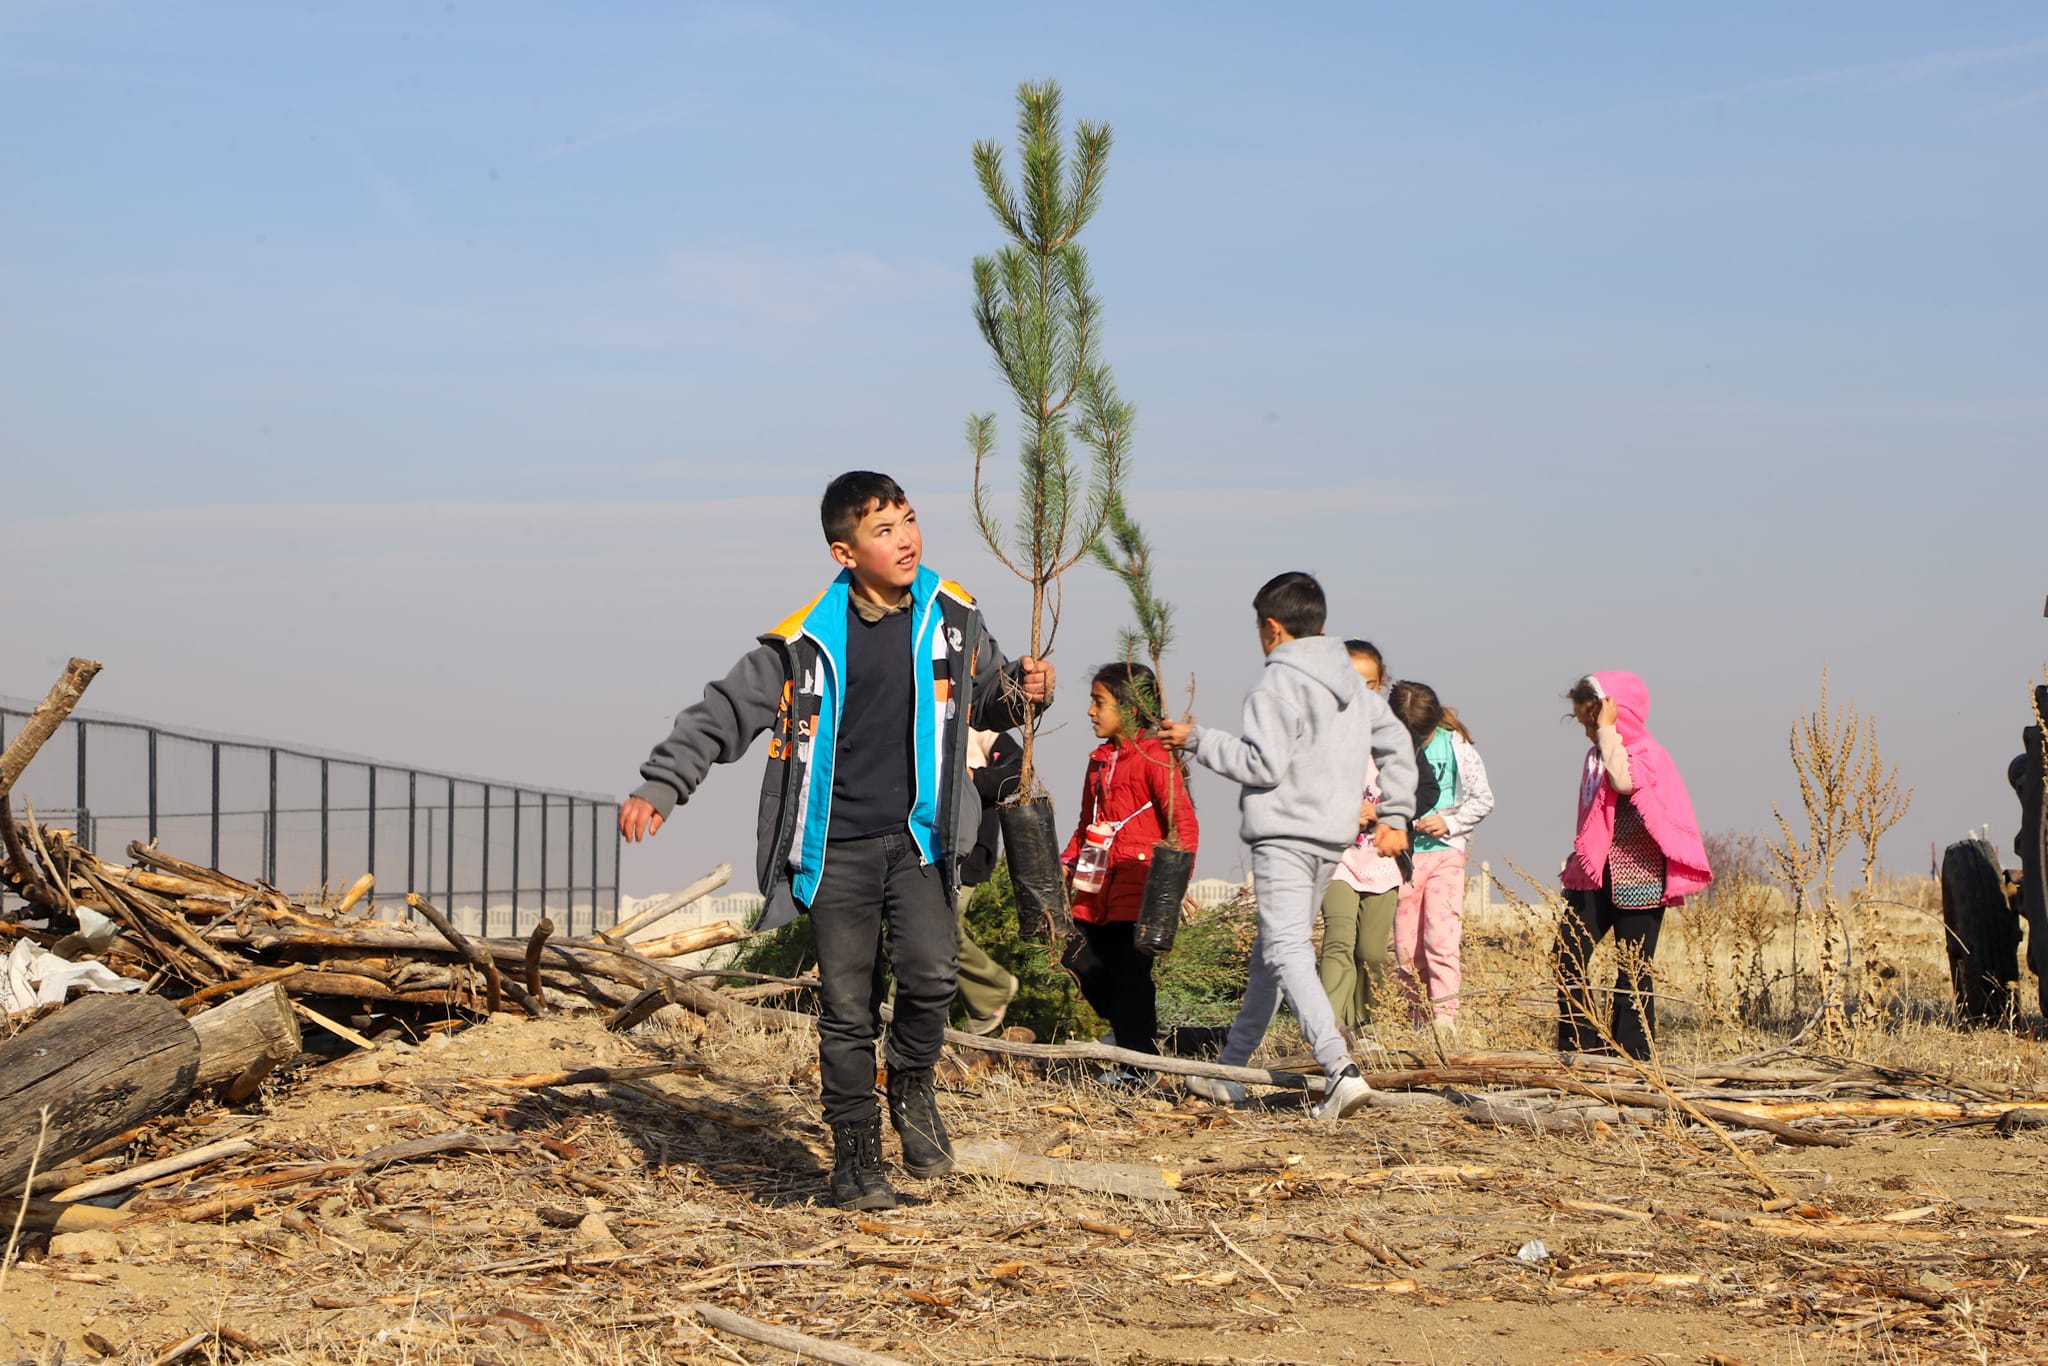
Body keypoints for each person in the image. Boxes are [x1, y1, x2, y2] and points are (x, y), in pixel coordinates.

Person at [618, 471, 1053, 1210]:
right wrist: (662, 784)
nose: (906, 538)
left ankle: (912, 1086)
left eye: (909, 520)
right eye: (884, 530)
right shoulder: (800, 644)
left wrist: (1024, 687)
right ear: (844, 553)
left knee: (932, 979)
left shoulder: (955, 617)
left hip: (923, 840)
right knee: (847, 1011)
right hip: (834, 851)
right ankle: (856, 1160)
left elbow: (988, 700)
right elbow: (721, 715)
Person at [1159, 573, 1416, 1123]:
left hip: (1284, 837)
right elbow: (1396, 742)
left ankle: (1340, 1070)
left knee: (1285, 952)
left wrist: (1199, 740)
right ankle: (1231, 1072)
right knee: (1269, 958)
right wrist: (1396, 812)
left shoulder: (1275, 686)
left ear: (1272, 628)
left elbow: (1262, 764)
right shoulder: (1350, 684)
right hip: (1331, 837)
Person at [1556, 671, 1711, 1059]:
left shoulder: (1647, 755)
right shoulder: (1595, 757)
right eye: (1586, 725)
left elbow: (1625, 782)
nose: (1590, 733)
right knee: (1566, 954)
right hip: (1597, 877)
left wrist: (1609, 731)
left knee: (1633, 968)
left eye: (1592, 722)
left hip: (1641, 877)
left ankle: (1632, 1055)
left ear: (1615, 713)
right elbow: (1591, 816)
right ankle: (1580, 1045)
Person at [1059, 662, 1200, 1064]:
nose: (1091, 711)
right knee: (1076, 953)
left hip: (1139, 885)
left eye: (1098, 702)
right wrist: (1067, 863)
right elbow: (1087, 822)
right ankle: (1131, 1031)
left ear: (1130, 707)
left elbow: (1183, 823)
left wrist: (1173, 886)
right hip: (1095, 885)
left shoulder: (1156, 757)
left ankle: (1138, 1066)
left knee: (1129, 976)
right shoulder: (1099, 760)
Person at [1386, 681, 1494, 1042]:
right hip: (1404, 856)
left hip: (1446, 853)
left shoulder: (1457, 746)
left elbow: (1482, 799)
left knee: (1441, 939)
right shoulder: (1386, 747)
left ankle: (1446, 1018)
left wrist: (1449, 823)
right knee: (1405, 947)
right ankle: (1415, 1018)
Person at [1318, 641, 1400, 1042]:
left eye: (1369, 684)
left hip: (1382, 860)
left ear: (1381, 685)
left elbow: (1421, 792)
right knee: (1337, 940)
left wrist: (1382, 814)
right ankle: (1327, 1030)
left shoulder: (1393, 737)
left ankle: (1368, 1025)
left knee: (1370, 952)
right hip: (1336, 858)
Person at [954, 730, 1023, 1035]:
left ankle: (993, 987)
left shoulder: (981, 730)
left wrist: (967, 775)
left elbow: (1016, 773)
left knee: (937, 929)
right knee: (913, 931)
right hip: (923, 845)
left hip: (967, 850)